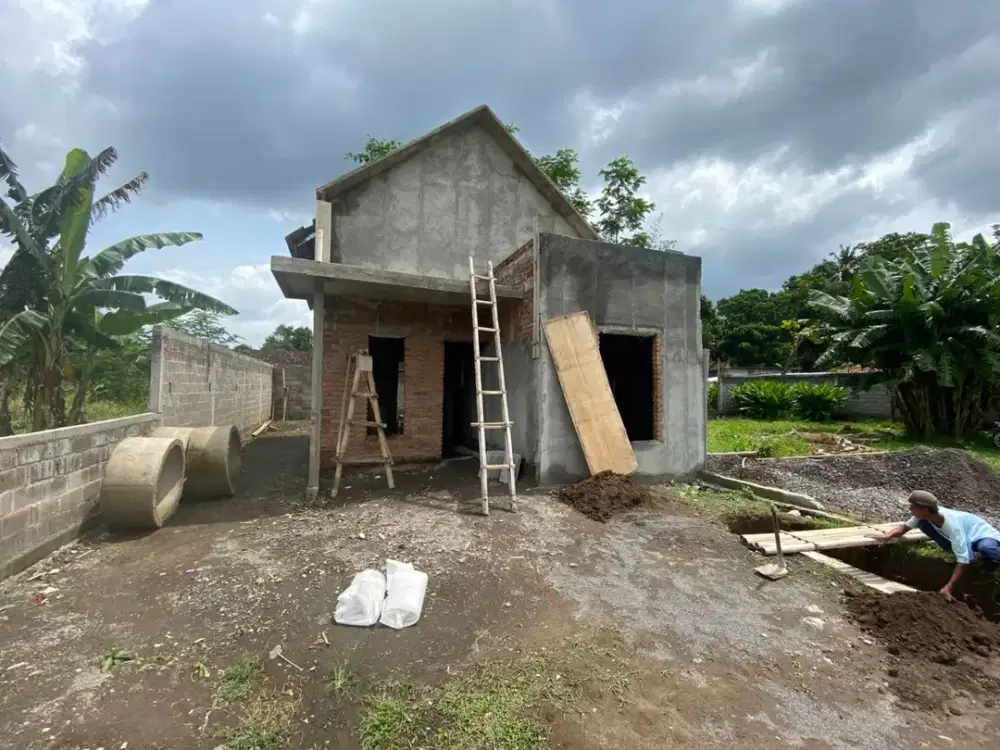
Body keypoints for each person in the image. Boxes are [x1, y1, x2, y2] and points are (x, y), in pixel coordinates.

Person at [869, 490, 1000, 599]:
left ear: (925, 509)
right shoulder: (924, 517)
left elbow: (964, 561)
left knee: (986, 549)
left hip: (983, 535)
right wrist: (887, 535)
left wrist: (948, 587)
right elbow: (904, 527)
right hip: (966, 538)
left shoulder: (953, 526)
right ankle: (962, 550)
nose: (910, 509)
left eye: (913, 507)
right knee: (922, 523)